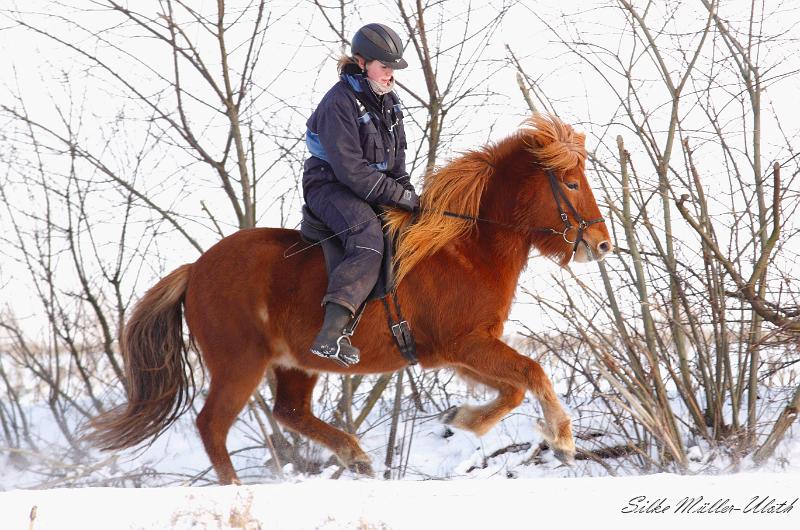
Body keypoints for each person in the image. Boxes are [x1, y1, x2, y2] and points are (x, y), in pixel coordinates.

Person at [303, 23, 419, 365]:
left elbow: (397, 167)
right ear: (361, 62)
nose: (390, 75)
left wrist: (413, 201)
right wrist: (401, 197)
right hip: (330, 186)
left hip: (368, 188)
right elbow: (351, 172)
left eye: (394, 68)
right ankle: (331, 332)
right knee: (368, 236)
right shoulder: (338, 103)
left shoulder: (391, 104)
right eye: (385, 67)